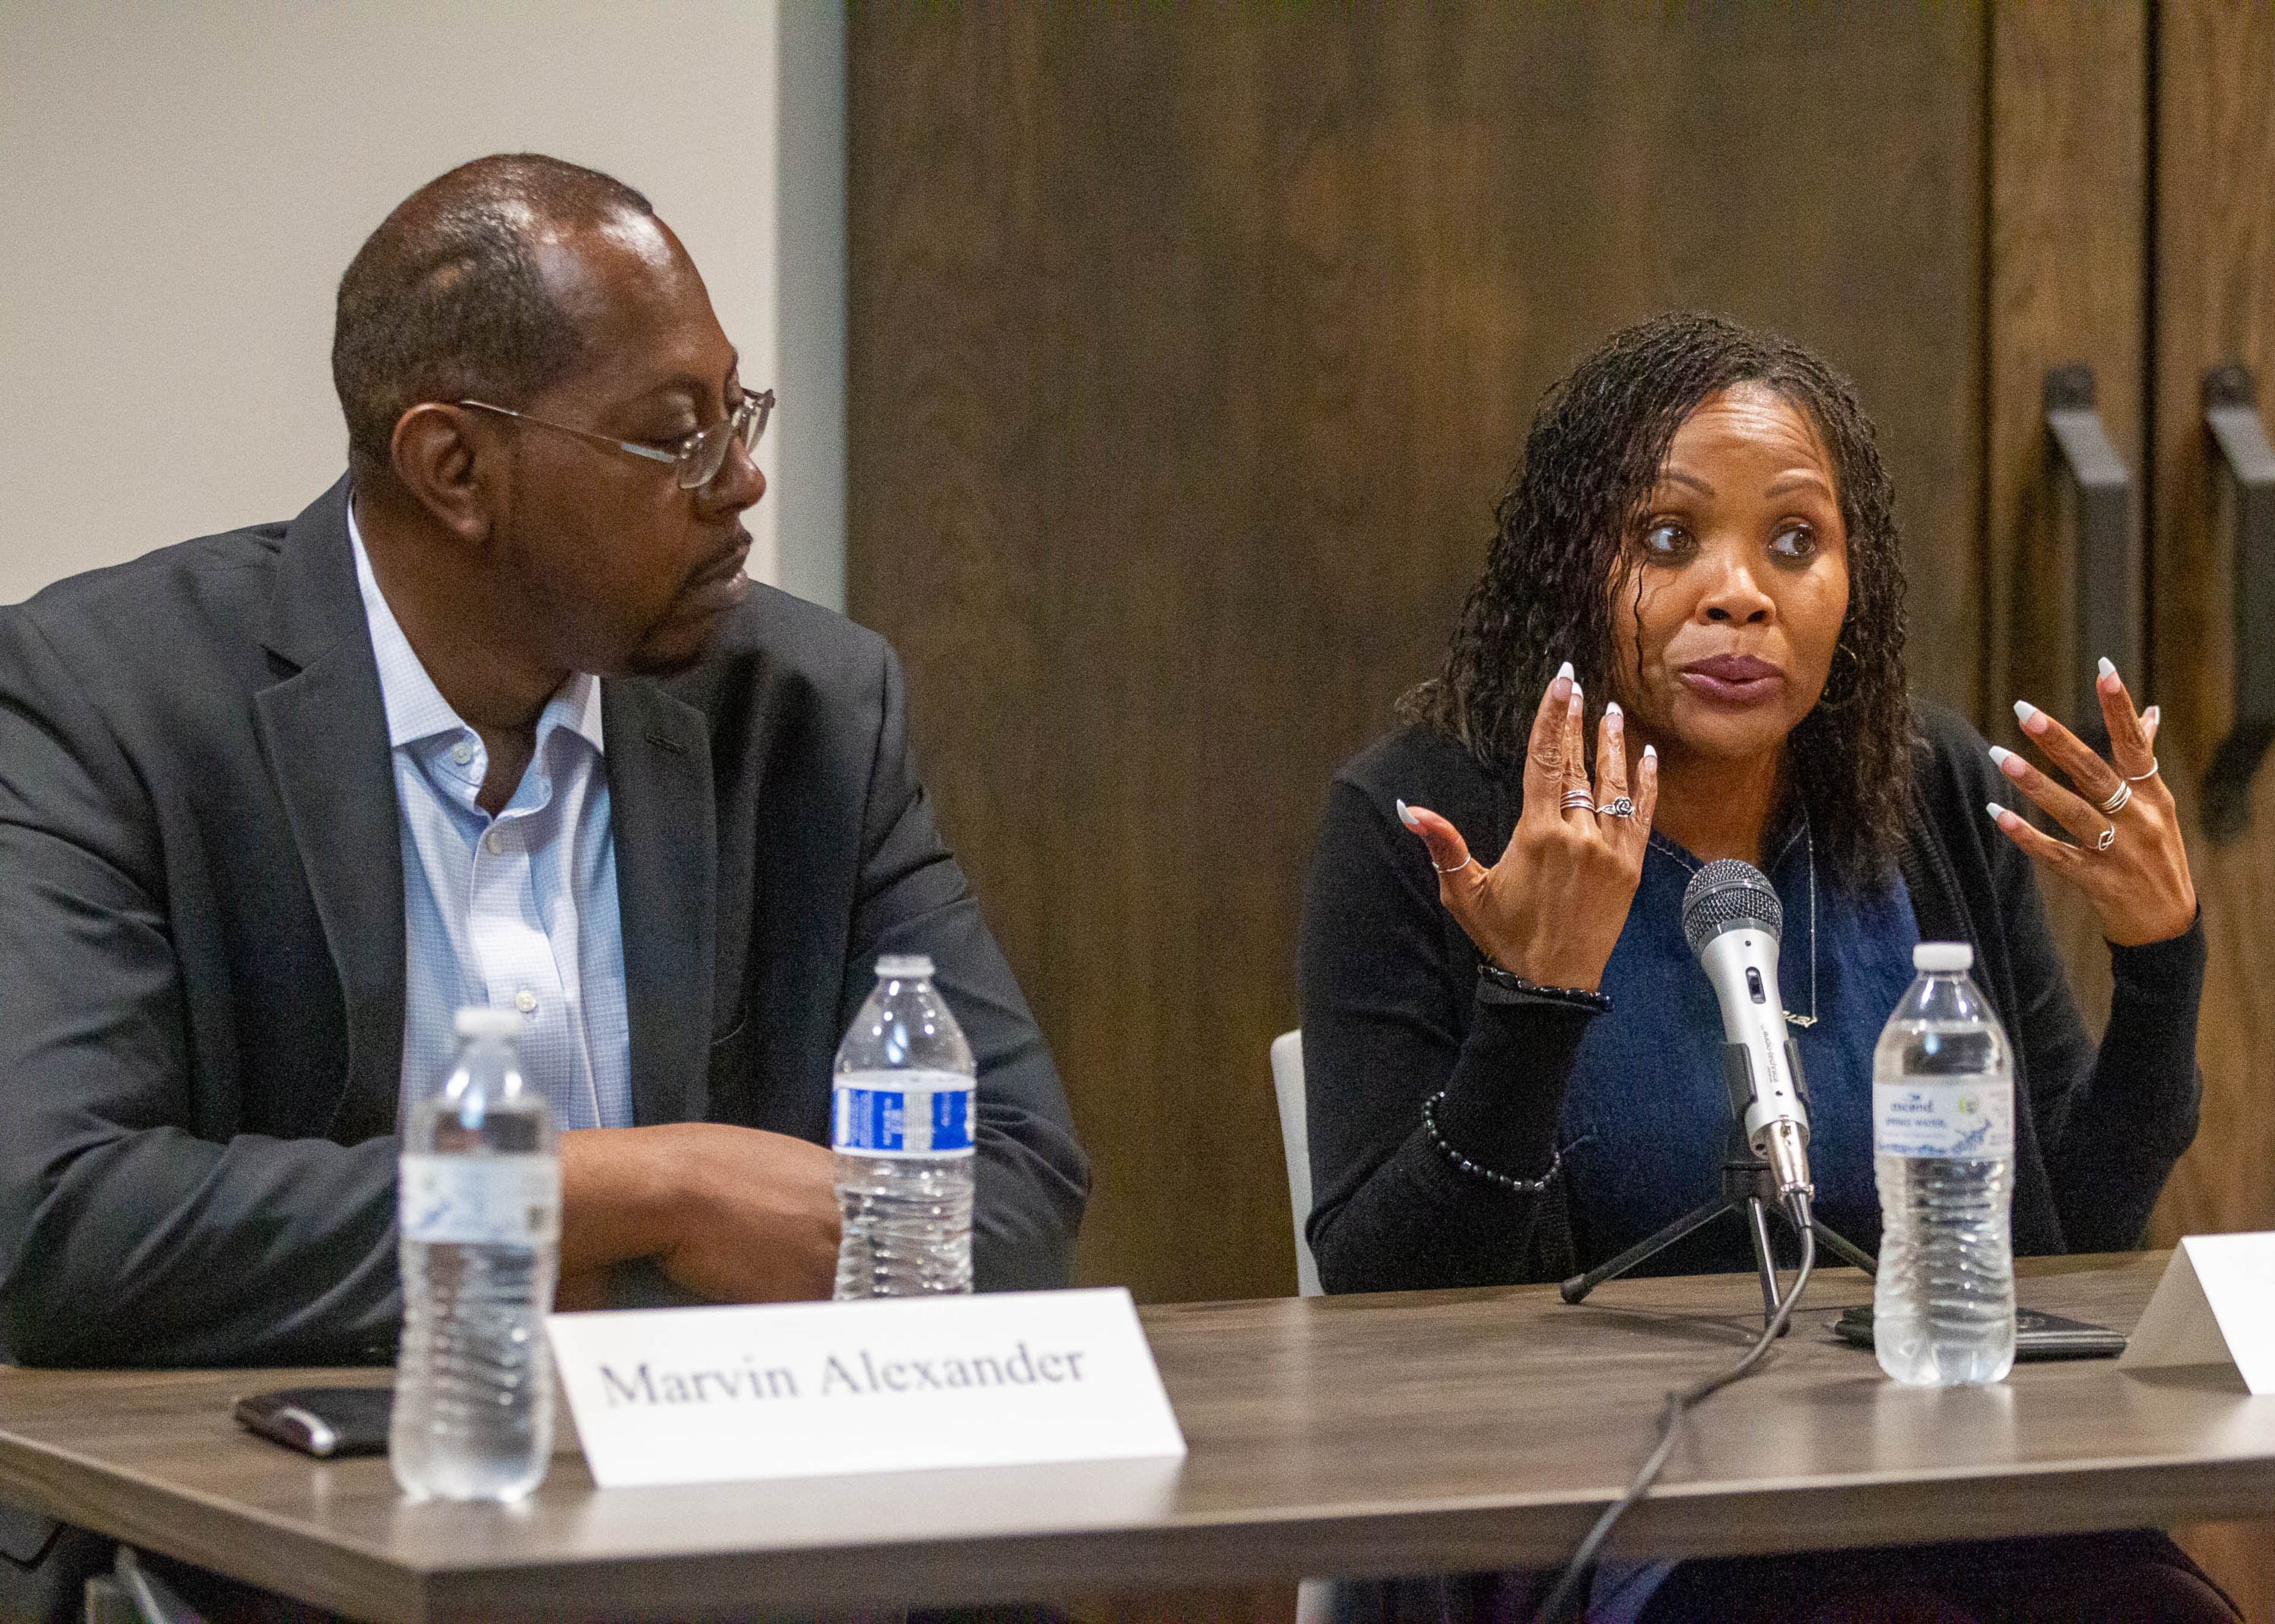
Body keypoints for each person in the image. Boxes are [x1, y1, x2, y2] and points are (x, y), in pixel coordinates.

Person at [0, 151, 1088, 1618]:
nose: (741, 481)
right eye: (674, 436)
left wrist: (584, 1293)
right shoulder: (110, 703)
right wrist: (648, 1189)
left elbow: (1009, 1195)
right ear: (456, 468)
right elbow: (61, 1225)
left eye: (736, 412)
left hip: (727, 1555)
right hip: (272, 1558)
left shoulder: (811, 708)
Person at [1298, 313, 2231, 1621]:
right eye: (1670, 540)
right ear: (1577, 565)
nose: (1740, 592)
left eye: (1795, 542)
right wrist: (1535, 1001)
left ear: (1853, 588)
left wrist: (2161, 967)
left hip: (1950, 1476)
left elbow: (2063, 1247)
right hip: (1623, 1510)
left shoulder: (1925, 794)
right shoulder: (1429, 823)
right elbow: (1389, 1310)